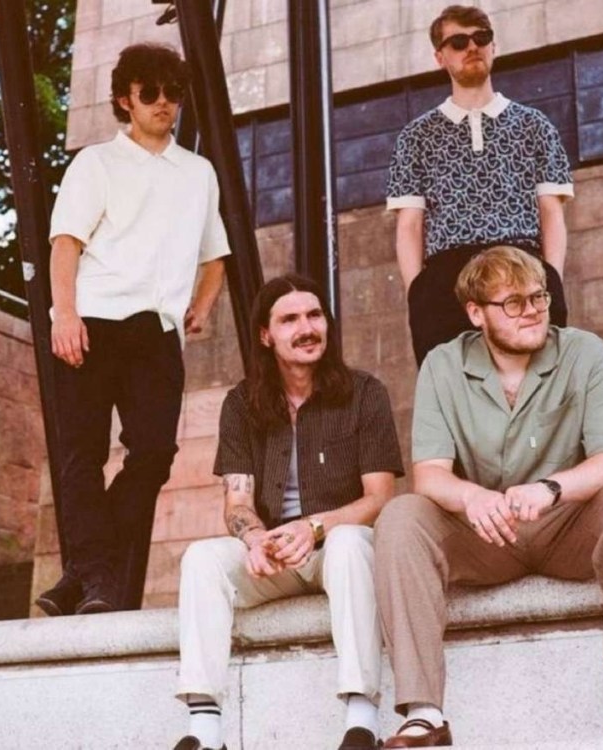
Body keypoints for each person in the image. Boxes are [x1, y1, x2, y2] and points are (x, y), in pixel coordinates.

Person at [374, 246, 603, 747]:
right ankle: (424, 714)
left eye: (539, 297)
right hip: (487, 535)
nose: (532, 310)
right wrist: (472, 498)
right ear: (476, 313)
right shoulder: (443, 366)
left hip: (566, 526)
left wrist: (551, 489)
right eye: (513, 302)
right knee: (401, 515)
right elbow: (429, 475)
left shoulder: (585, 352)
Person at [35, 43, 230, 616]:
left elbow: (216, 256)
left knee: (154, 453)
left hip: (156, 331)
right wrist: (65, 315)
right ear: (125, 99)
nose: (163, 102)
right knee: (82, 456)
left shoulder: (198, 173)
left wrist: (201, 307)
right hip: (92, 321)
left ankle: (81, 573)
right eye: (150, 92)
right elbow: (65, 244)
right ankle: (95, 576)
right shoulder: (95, 163)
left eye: (173, 92)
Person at [173, 274, 405, 750]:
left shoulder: (365, 393)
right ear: (266, 335)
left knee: (348, 544)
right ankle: (205, 729)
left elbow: (380, 497)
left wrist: (315, 527)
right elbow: (237, 502)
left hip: (335, 545)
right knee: (201, 559)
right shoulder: (241, 404)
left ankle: (362, 719)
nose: (307, 328)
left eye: (315, 315)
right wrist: (255, 539)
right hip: (275, 553)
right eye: (290, 319)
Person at [387, 4, 574, 366]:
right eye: (458, 42)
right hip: (446, 281)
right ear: (440, 57)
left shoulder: (535, 126)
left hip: (523, 268)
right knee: (453, 387)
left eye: (481, 38)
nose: (472, 47)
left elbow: (551, 213)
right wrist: (418, 293)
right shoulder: (415, 137)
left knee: (538, 384)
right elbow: (409, 225)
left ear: (494, 46)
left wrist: (550, 279)